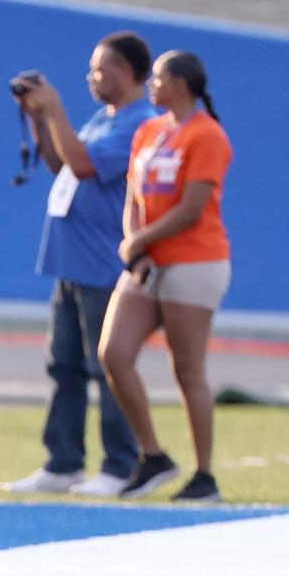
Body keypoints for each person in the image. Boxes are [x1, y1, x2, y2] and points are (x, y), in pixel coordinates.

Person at [3, 32, 157, 497]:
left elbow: (86, 165)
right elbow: (63, 164)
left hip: (103, 262)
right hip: (71, 261)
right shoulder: (101, 118)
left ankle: (119, 464)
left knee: (106, 367)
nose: (91, 77)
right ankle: (64, 461)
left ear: (127, 72)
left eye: (99, 69)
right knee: (63, 365)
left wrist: (55, 111)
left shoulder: (139, 122)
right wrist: (38, 120)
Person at [99, 50, 232, 502]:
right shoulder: (150, 131)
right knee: (113, 353)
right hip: (148, 260)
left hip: (194, 260)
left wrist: (140, 242)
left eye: (158, 77)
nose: (151, 84)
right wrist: (134, 240)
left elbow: (193, 208)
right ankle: (153, 455)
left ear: (180, 83)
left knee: (187, 368)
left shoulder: (207, 134)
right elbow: (134, 196)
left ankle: (205, 474)